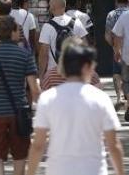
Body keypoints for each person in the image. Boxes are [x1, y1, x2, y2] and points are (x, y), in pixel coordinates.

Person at [27, 38, 125, 175]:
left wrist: (30, 172)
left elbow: (38, 145)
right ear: (87, 67)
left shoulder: (47, 99)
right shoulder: (100, 98)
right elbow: (113, 144)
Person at [0, 16, 40, 175]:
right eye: (18, 29)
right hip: (19, 113)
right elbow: (34, 89)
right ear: (12, 32)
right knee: (20, 155)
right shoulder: (25, 55)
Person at [38, 0, 87, 89]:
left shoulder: (47, 27)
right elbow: (85, 46)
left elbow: (43, 54)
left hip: (54, 74)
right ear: (65, 7)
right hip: (73, 73)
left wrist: (41, 75)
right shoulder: (76, 23)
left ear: (51, 8)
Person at [105, 0, 129, 108]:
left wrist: (114, 47)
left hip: (117, 49)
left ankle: (119, 97)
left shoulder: (111, 14)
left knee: (117, 73)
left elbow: (108, 35)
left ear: (117, 1)